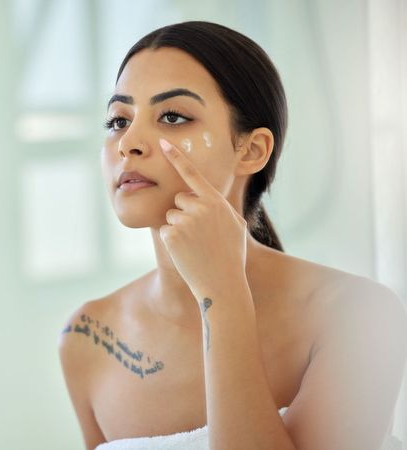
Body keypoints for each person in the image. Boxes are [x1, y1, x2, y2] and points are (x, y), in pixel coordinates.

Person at [58, 21, 407, 450]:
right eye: (117, 120)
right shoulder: (88, 338)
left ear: (252, 150)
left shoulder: (356, 315)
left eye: (172, 116)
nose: (128, 142)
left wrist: (223, 298)